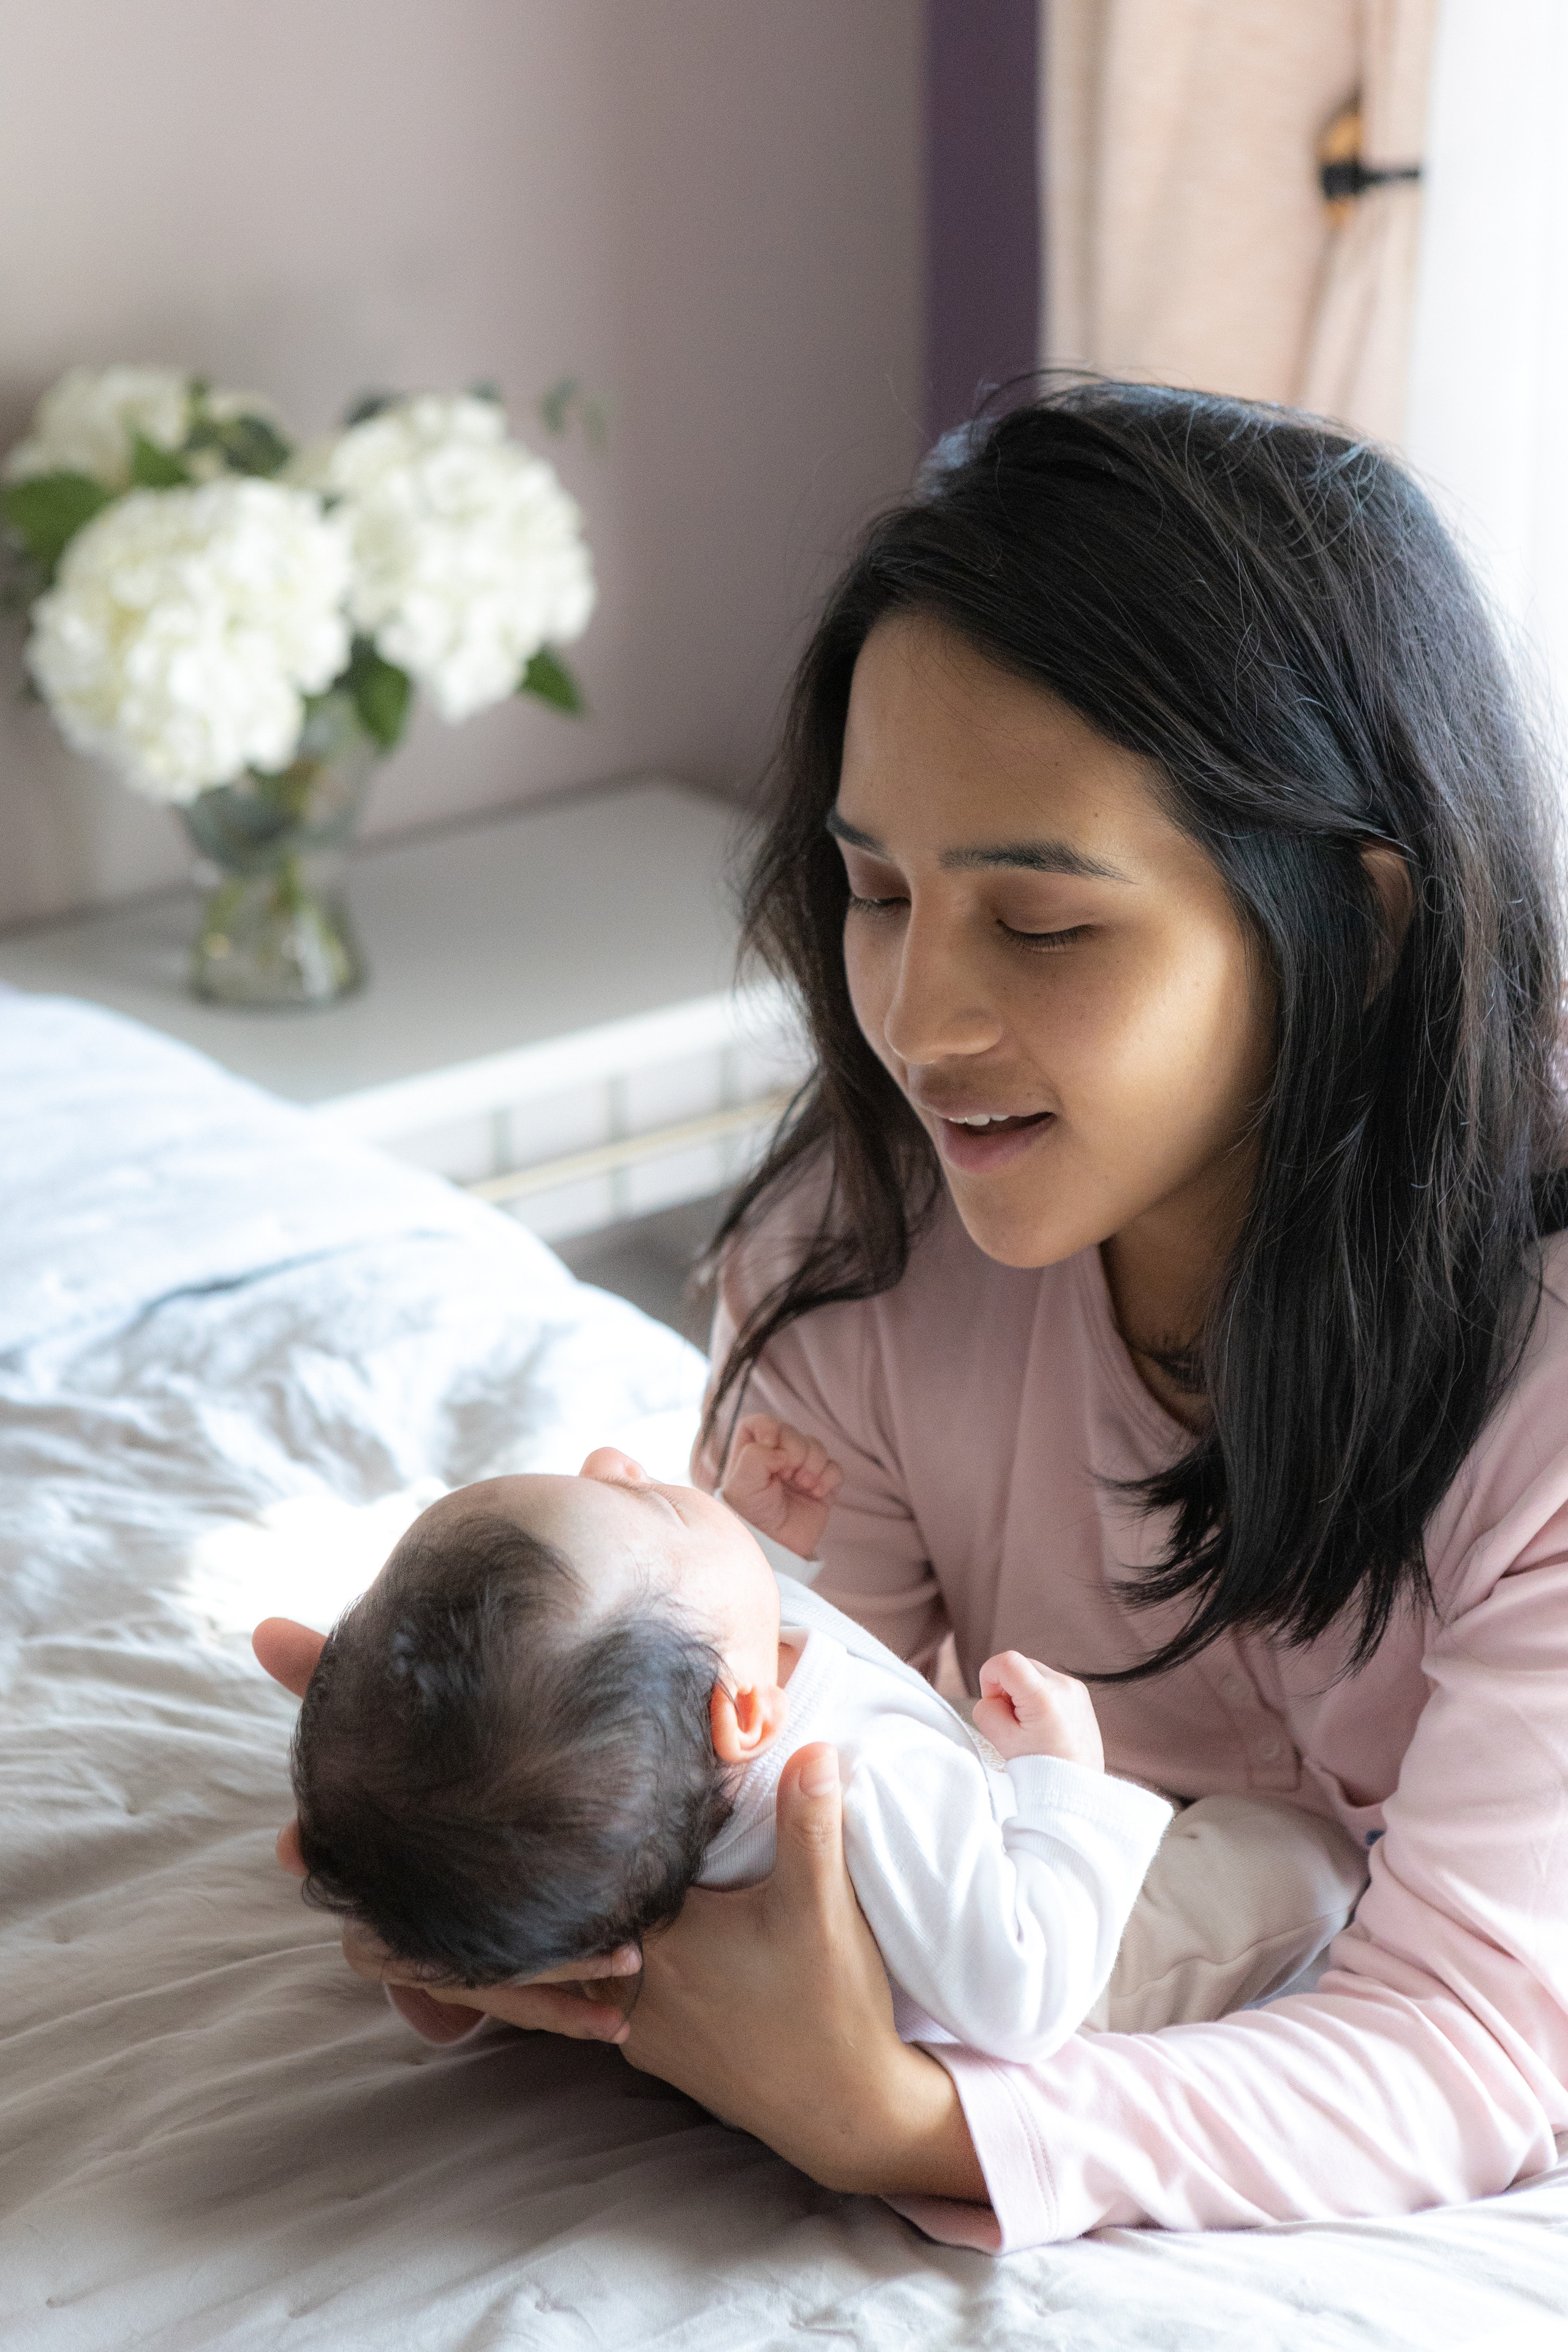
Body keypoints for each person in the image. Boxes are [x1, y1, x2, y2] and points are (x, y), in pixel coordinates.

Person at [268, 382, 1568, 2252]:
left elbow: (1467, 2037)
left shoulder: (1535, 1364)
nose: (920, 1019)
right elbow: (767, 1781)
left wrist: (906, 2127)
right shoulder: (860, 1247)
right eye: (876, 890)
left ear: (1357, 925)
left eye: (1044, 927)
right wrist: (508, 1854)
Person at [268, 1418, 1360, 2063]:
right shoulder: (873, 1788)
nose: (613, 1457)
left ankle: (448, 1976)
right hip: (1038, 1958)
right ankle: (1315, 1876)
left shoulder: (650, 1760)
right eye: (656, 1507)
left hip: (866, 1914)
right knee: (1291, 1856)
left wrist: (744, 1547)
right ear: (744, 1715)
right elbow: (1022, 1999)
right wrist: (1063, 1787)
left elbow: (714, 1643)